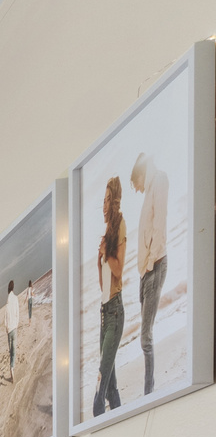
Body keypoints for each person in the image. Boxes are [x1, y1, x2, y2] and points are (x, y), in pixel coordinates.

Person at [131, 153, 169, 394]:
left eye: (136, 185)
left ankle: (149, 392)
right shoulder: (150, 189)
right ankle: (149, 390)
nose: (137, 190)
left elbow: (160, 225)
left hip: (154, 266)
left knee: (145, 337)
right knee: (145, 336)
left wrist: (149, 264)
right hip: (146, 271)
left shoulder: (160, 181)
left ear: (141, 176)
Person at [95, 176, 125, 417]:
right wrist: (98, 261)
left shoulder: (120, 224)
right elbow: (103, 282)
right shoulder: (108, 230)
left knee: (100, 388)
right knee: (111, 388)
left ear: (114, 201)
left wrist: (106, 252)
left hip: (115, 311)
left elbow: (119, 269)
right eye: (102, 201)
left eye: (107, 200)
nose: (103, 206)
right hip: (104, 313)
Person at [5, 280, 19, 383]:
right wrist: (16, 325)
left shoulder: (7, 303)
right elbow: (17, 313)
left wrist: (7, 329)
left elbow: (5, 319)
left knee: (10, 351)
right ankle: (12, 366)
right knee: (14, 350)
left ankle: (11, 369)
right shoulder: (16, 299)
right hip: (14, 328)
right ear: (13, 288)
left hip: (9, 330)